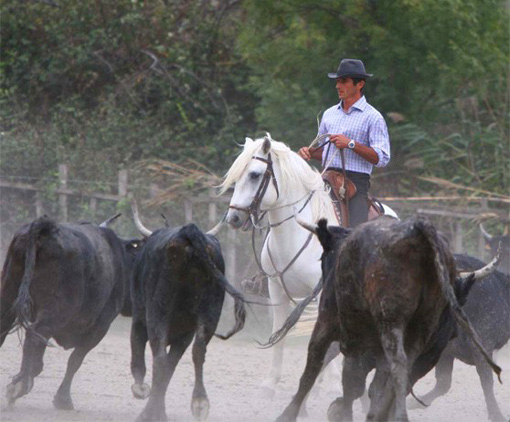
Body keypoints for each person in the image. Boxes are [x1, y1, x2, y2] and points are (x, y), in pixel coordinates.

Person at [298, 58, 390, 227]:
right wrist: (309, 153)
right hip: (326, 179)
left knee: (354, 235)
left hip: (355, 184)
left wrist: (351, 144)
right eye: (338, 81)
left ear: (360, 84)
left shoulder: (373, 117)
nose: (338, 86)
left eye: (344, 81)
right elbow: (325, 152)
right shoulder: (329, 114)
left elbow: (382, 158)